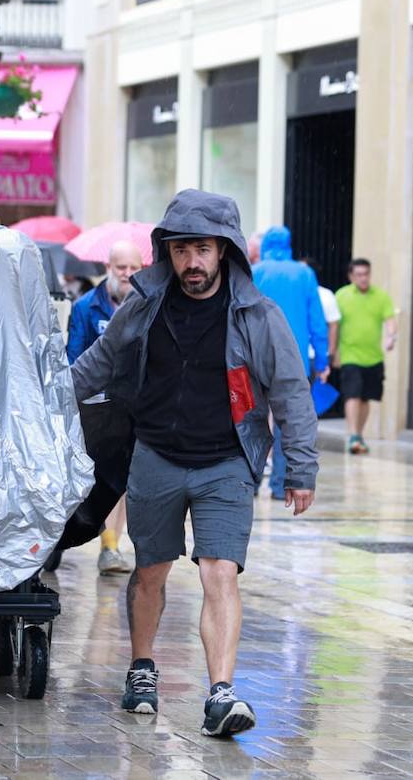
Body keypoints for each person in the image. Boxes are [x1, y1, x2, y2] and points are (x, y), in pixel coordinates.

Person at [72, 189, 317, 738]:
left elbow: (290, 392)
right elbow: (100, 364)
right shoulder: (145, 304)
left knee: (219, 572)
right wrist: (46, 404)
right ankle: (141, 669)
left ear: (224, 250)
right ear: (168, 252)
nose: (192, 262)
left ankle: (221, 693)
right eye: (182, 250)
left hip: (227, 462)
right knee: (151, 570)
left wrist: (300, 470)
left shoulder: (257, 314)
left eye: (203, 249)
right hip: (156, 456)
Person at [66, 240, 143, 575]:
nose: (126, 274)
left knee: (119, 477)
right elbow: (75, 355)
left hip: (128, 409)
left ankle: (110, 546)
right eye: (120, 267)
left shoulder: (149, 307)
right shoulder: (87, 306)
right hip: (93, 408)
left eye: (133, 268)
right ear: (108, 268)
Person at [252, 227, 330, 500]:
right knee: (290, 423)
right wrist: (322, 360)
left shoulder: (256, 272)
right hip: (294, 360)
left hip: (256, 356)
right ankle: (279, 485)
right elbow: (317, 320)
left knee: (251, 419)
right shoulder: (304, 274)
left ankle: (249, 483)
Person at [335, 258, 397, 454]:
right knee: (352, 394)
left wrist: (391, 337)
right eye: (359, 274)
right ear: (351, 276)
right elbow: (334, 326)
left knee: (366, 398)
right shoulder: (342, 296)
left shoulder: (381, 296)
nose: (363, 278)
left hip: (373, 357)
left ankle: (359, 435)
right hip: (350, 355)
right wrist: (333, 351)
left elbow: (390, 320)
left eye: (366, 274)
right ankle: (353, 434)